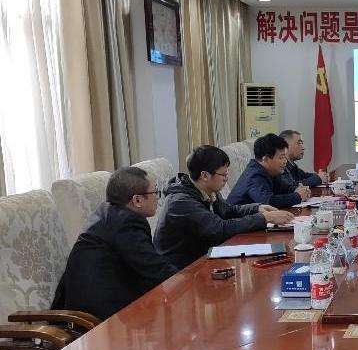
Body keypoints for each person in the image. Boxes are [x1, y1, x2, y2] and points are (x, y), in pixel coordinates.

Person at [51, 167, 178, 320]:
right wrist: (186, 279)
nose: (157, 198)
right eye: (155, 192)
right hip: (94, 319)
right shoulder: (125, 223)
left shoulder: (110, 212)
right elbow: (154, 267)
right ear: (137, 200)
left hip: (99, 303)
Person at [155, 145, 294, 270]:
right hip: (181, 271)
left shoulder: (208, 190)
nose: (226, 179)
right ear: (205, 175)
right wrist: (264, 218)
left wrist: (257, 208)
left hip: (205, 256)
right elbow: (220, 229)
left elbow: (228, 211)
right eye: (223, 174)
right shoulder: (181, 202)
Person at [227, 133, 311, 207]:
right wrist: (297, 196)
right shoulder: (254, 176)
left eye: (285, 156)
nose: (285, 161)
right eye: (281, 157)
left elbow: (285, 188)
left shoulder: (271, 171)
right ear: (266, 159)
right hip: (239, 219)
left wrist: (299, 189)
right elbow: (268, 202)